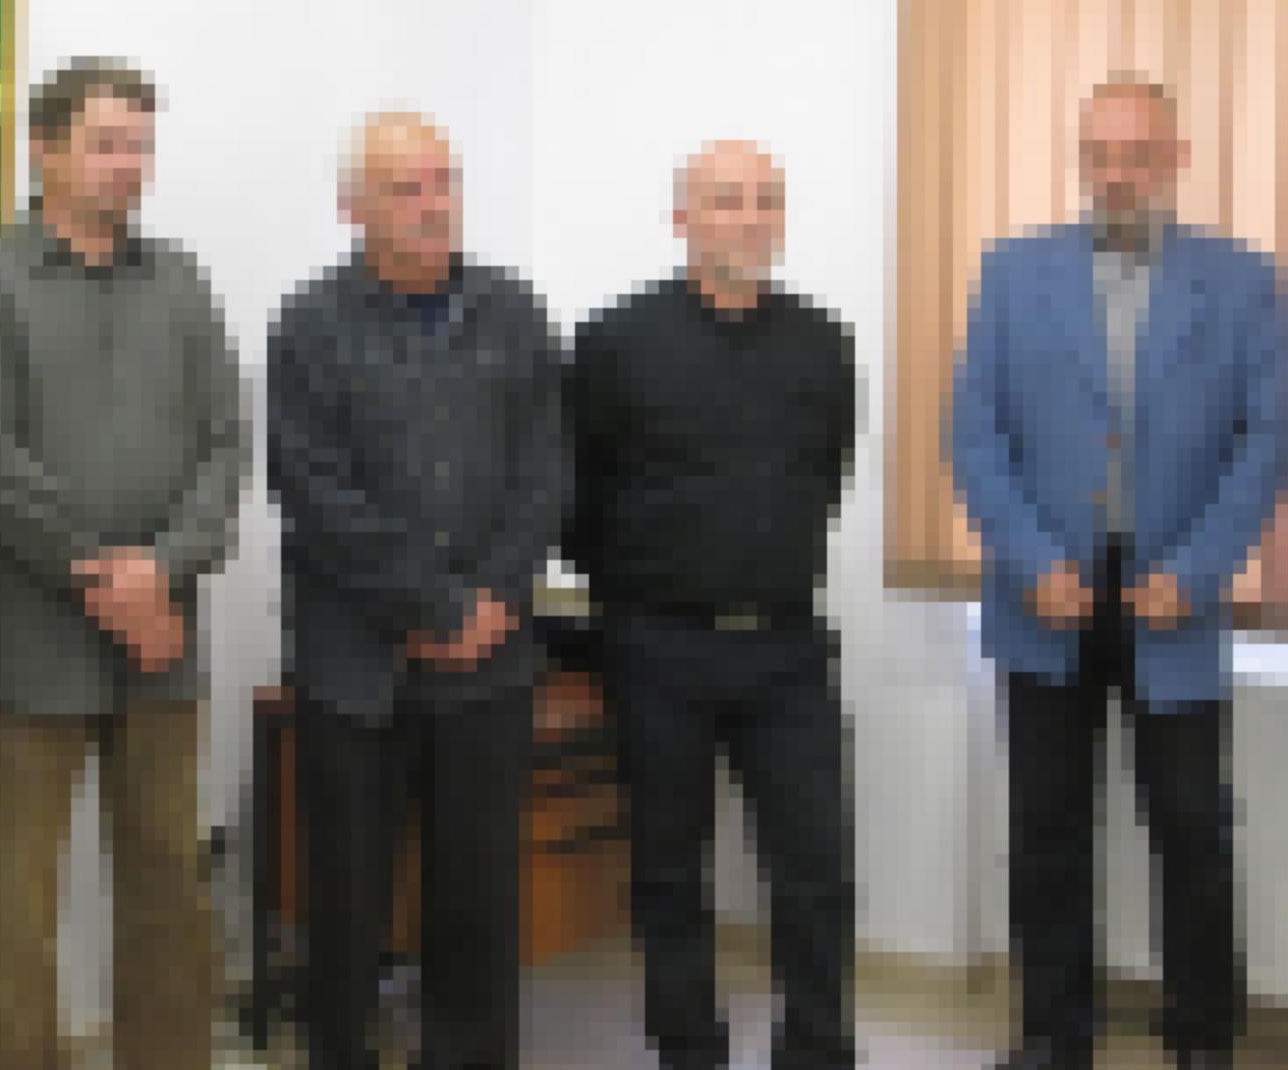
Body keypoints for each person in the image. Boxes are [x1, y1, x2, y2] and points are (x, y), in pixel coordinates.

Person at [947, 73, 1288, 1070]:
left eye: (1137, 155)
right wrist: (1030, 560)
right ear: (1081, 159)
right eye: (1099, 154)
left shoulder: (1243, 280)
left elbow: (1270, 439)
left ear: (1176, 159)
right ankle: (1054, 1039)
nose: (1116, 174)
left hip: (1173, 598)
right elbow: (973, 433)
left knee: (1191, 828)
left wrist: (1200, 568)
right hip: (1044, 599)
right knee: (1046, 830)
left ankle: (1201, 1040)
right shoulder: (1011, 272)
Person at [0, 57, 250, 1070]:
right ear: (46, 149)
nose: (128, 166)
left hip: (163, 653)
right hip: (28, 657)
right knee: (12, 920)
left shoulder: (181, 279)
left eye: (141, 147)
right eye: (107, 144)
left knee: (170, 902)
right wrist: (118, 588)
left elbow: (226, 443)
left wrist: (165, 569)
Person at [268, 110, 564, 1070]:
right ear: (353, 205)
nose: (433, 204)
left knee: (477, 908)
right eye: (407, 187)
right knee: (345, 908)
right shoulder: (310, 323)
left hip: (490, 664)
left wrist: (491, 601)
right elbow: (314, 491)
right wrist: (433, 607)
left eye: (445, 181)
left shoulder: (514, 311)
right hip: (356, 667)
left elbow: (545, 473)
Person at [565, 139, 860, 1070]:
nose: (751, 218)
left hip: (786, 647)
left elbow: (827, 476)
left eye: (767, 200)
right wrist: (645, 586)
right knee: (668, 873)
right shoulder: (614, 341)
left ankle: (817, 1052)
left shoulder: (823, 340)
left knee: (815, 871)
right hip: (659, 646)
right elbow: (576, 495)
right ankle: (689, 1050)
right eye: (728, 200)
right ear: (682, 217)